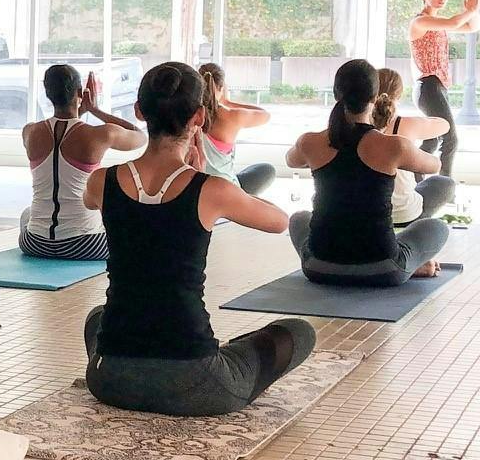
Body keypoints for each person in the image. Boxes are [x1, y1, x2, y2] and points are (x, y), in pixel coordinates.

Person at [81, 62, 315, 417]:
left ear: (139, 111)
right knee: (298, 331)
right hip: (194, 382)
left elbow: (89, 201)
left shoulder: (101, 181)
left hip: (110, 379)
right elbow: (280, 222)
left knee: (99, 316)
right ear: (199, 117)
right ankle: (221, 360)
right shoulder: (211, 189)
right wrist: (203, 176)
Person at [286, 60, 451, 285]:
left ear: (336, 94)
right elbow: (435, 166)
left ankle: (406, 257)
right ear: (375, 98)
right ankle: (412, 264)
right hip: (383, 269)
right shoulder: (394, 146)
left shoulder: (310, 142)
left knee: (298, 218)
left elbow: (291, 160)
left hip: (318, 266)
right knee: (437, 227)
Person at [18, 65, 143, 261]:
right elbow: (140, 136)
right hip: (86, 246)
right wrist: (94, 110)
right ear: (79, 93)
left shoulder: (30, 132)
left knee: (28, 214)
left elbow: (64, 132)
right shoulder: (100, 134)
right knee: (129, 224)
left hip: (34, 243)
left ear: (47, 93)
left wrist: (79, 112)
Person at [407, 0, 480, 177]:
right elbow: (454, 22)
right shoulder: (421, 21)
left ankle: (414, 180)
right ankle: (444, 185)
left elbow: (471, 27)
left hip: (438, 87)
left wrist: (473, 11)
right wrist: (469, 11)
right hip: (428, 86)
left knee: (432, 139)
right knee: (450, 139)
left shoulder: (437, 24)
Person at [372, 68, 456, 227]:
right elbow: (444, 125)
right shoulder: (406, 124)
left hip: (368, 213)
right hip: (404, 215)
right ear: (399, 95)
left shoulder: (357, 124)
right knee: (445, 184)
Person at [193, 63, 275, 196]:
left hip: (195, 187)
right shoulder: (231, 116)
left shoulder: (187, 114)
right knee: (267, 170)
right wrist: (227, 102)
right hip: (226, 190)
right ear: (221, 87)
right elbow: (265, 115)